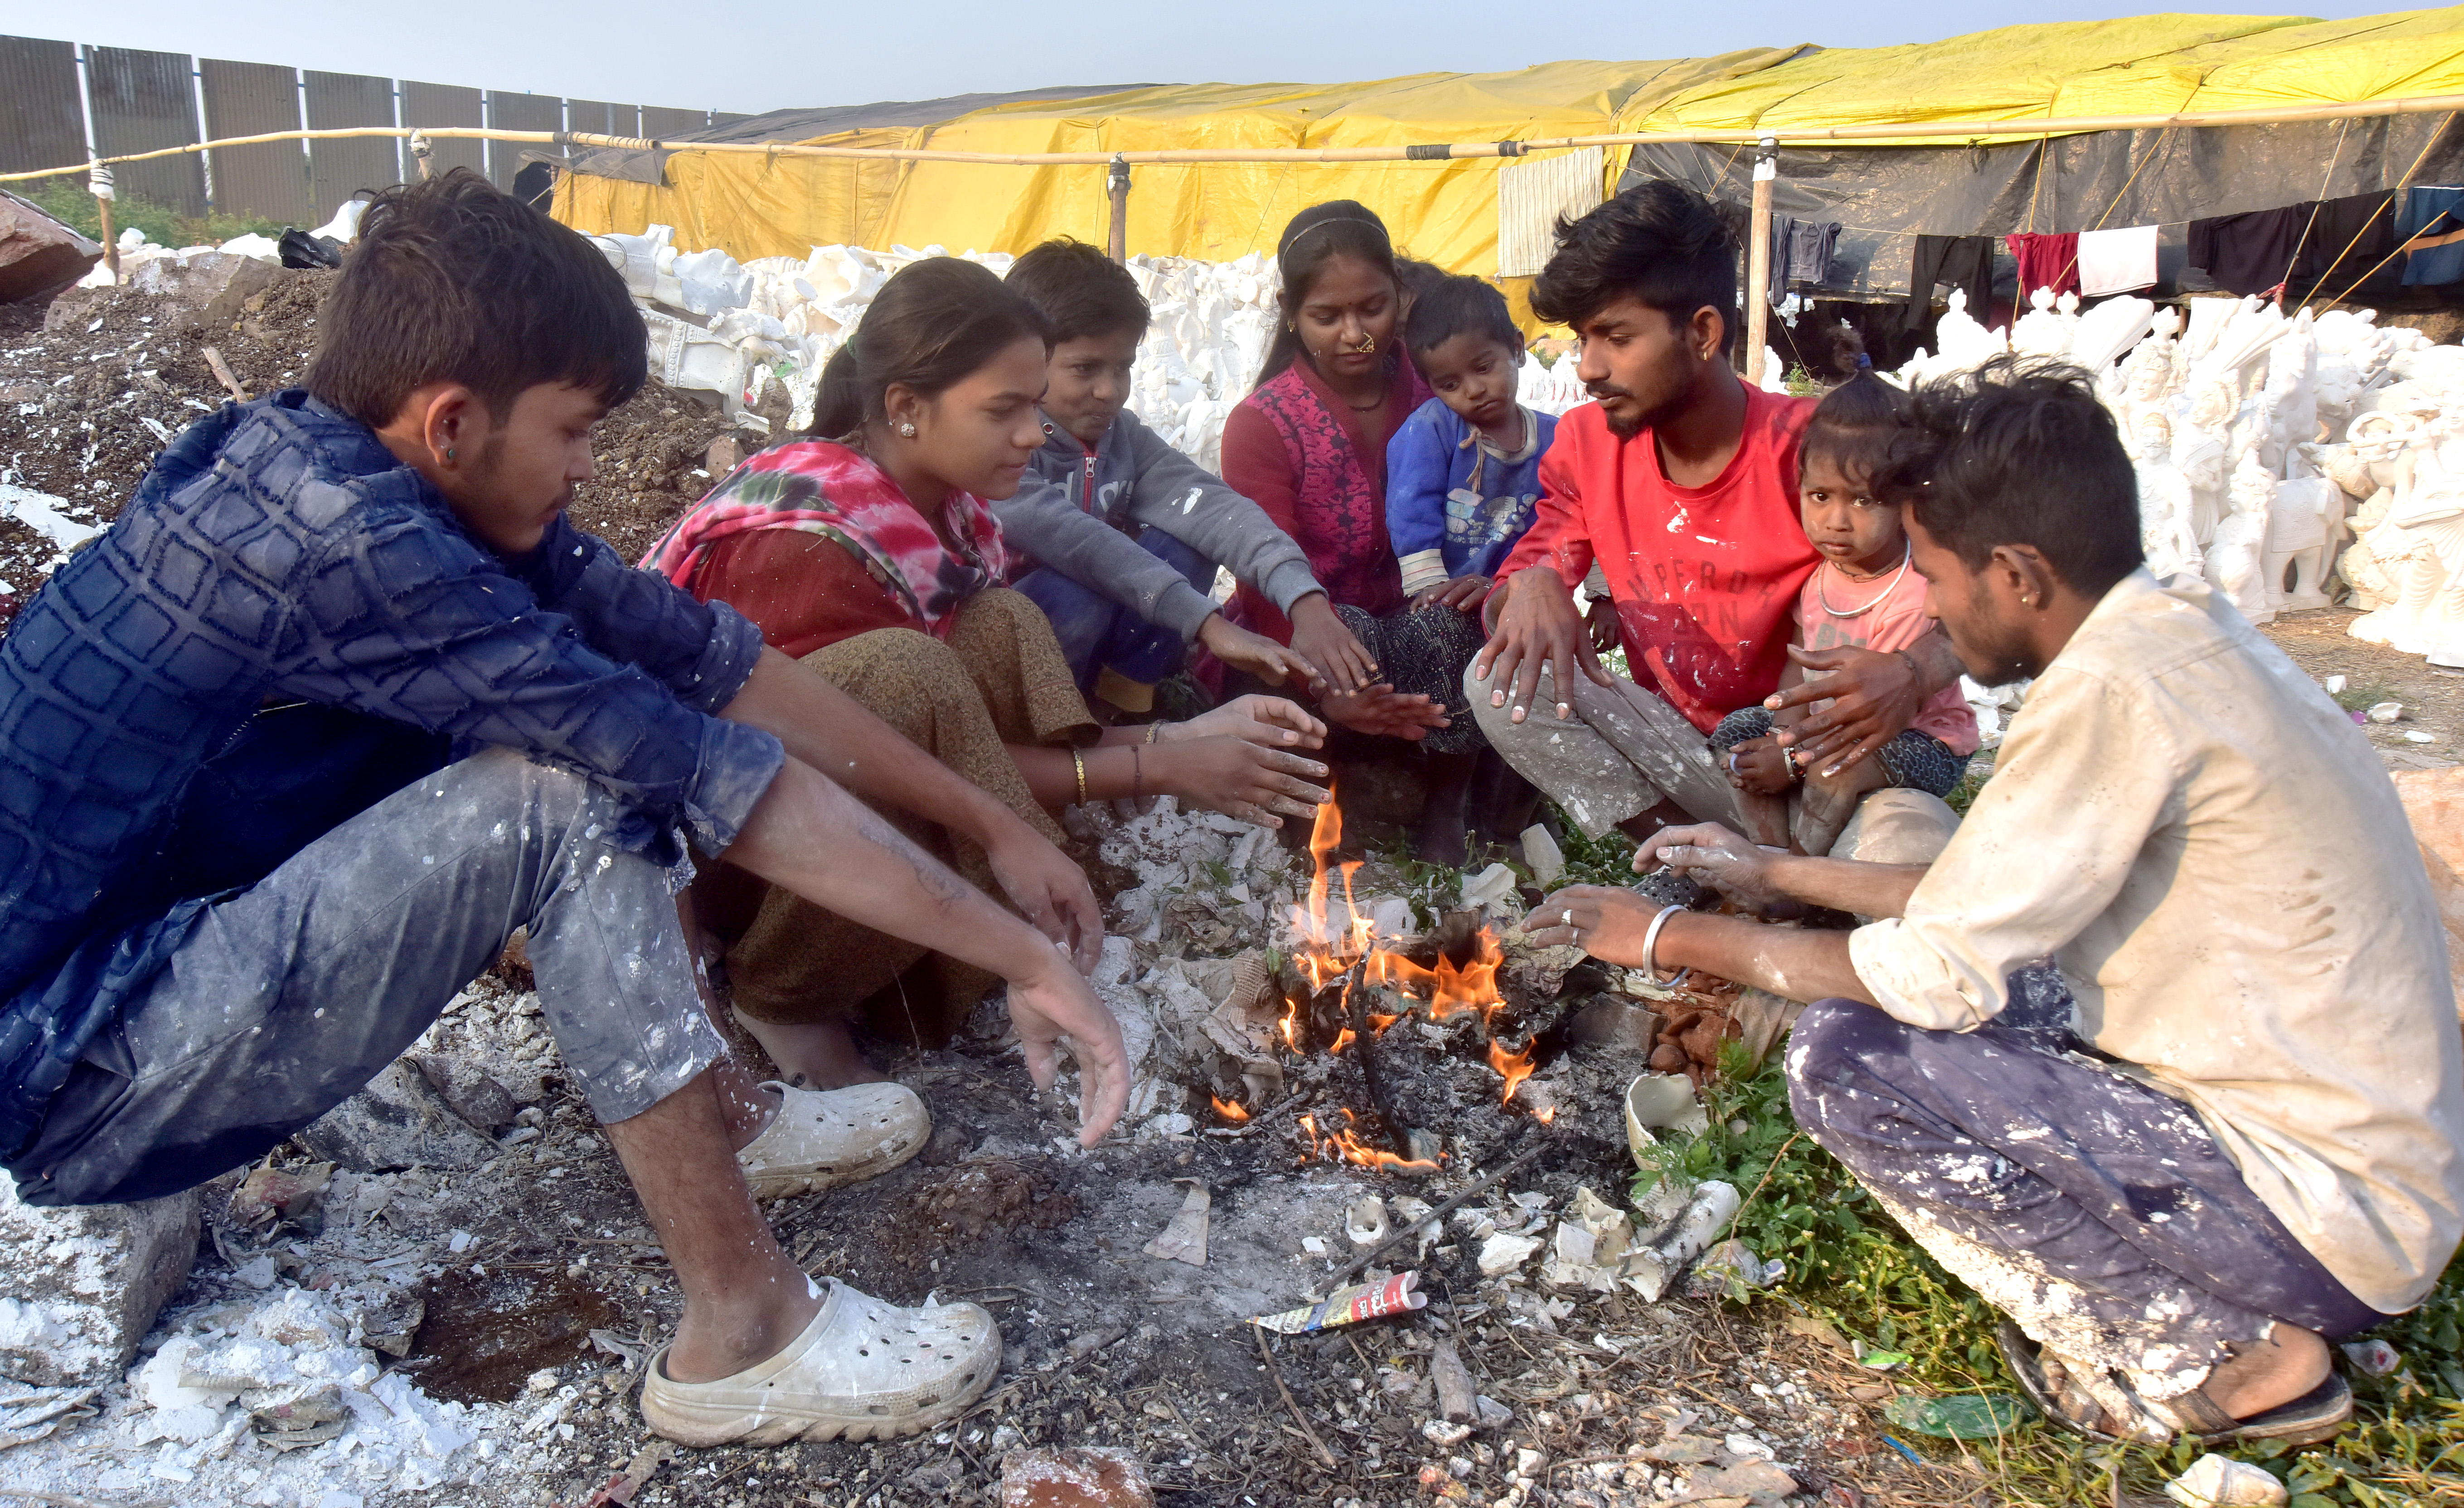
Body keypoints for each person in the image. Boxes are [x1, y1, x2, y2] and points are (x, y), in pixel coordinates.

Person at [0, 170, 1128, 1445]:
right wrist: (1021, 951)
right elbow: (706, 770)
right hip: (76, 1065)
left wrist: (997, 823)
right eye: (578, 430)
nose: (590, 469)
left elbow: (710, 660)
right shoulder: (348, 546)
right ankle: (743, 1330)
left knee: (579, 737)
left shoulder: (334, 460)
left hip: (134, 968)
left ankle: (723, 1116)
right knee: (561, 792)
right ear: (452, 420)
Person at [1535, 359, 2464, 1450]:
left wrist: (1657, 932)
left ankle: (2220, 1352)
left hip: (2318, 1215)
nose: (1923, 605)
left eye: (1931, 573)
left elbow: (1928, 967)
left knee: (1845, 1059)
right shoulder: (2167, 634)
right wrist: (1767, 871)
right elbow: (1976, 901)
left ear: (2016, 573)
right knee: (1966, 988)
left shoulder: (2113, 693)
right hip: (2367, 1169)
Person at [646, 257, 1334, 1089]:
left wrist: (1173, 738)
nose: (1035, 436)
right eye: (1005, 411)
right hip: (730, 851)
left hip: (844, 794)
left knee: (1003, 622)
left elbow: (971, 749)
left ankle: (944, 952)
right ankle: (786, 991)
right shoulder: (804, 545)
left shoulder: (949, 516)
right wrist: (1163, 759)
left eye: (1034, 407)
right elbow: (850, 764)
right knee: (913, 673)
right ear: (905, 408)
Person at [1470, 181, 1967, 868]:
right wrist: (1527, 588)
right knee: (1497, 680)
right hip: (1692, 758)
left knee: (1911, 860)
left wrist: (1914, 672)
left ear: (1703, 333)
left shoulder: (1821, 454)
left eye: (1615, 337)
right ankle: (1703, 862)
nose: (1587, 367)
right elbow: (1523, 579)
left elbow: (1987, 579)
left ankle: (1788, 875)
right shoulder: (1588, 444)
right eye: (1582, 339)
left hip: (1835, 759)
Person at [1219, 201, 1494, 865]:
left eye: (1372, 309)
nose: (1354, 334)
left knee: (1454, 620)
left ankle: (1446, 803)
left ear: (1402, 295)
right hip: (1314, 637)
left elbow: (1501, 489)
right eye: (1327, 317)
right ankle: (1334, 794)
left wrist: (1490, 577)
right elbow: (1263, 569)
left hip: (1418, 629)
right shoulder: (1262, 422)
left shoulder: (1441, 387)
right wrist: (1319, 672)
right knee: (1339, 629)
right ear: (1290, 311)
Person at [994, 238, 1363, 718]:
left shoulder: (1121, 439)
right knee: (1078, 592)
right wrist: (1208, 622)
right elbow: (1079, 544)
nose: (1109, 391)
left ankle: (1120, 708)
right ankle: (1044, 726)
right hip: (1018, 640)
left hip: (1099, 617)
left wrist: (1304, 598)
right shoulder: (1003, 446)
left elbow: (1215, 508)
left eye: (1122, 367)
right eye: (1084, 369)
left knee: (1188, 537)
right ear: (1026, 361)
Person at [1709, 362, 1978, 859]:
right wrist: (1777, 734)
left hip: (1919, 741)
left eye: (1863, 500)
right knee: (1737, 737)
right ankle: (1766, 855)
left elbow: (1875, 714)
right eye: (1819, 496)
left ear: (1908, 502)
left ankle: (1802, 873)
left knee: (1836, 766)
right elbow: (1798, 665)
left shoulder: (1913, 592)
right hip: (1827, 733)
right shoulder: (1819, 579)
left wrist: (1790, 758)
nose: (1836, 521)